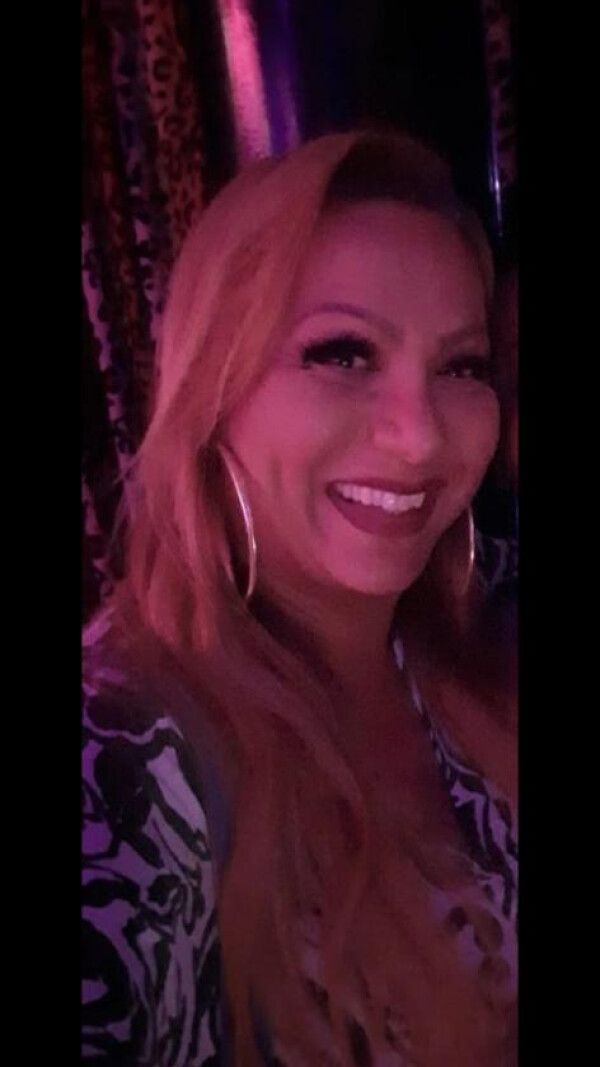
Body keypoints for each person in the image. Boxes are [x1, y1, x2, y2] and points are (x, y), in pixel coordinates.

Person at [82, 130, 518, 1067]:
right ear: (215, 388)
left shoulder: (475, 621)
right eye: (344, 354)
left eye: (461, 366)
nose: (419, 438)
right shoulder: (123, 757)